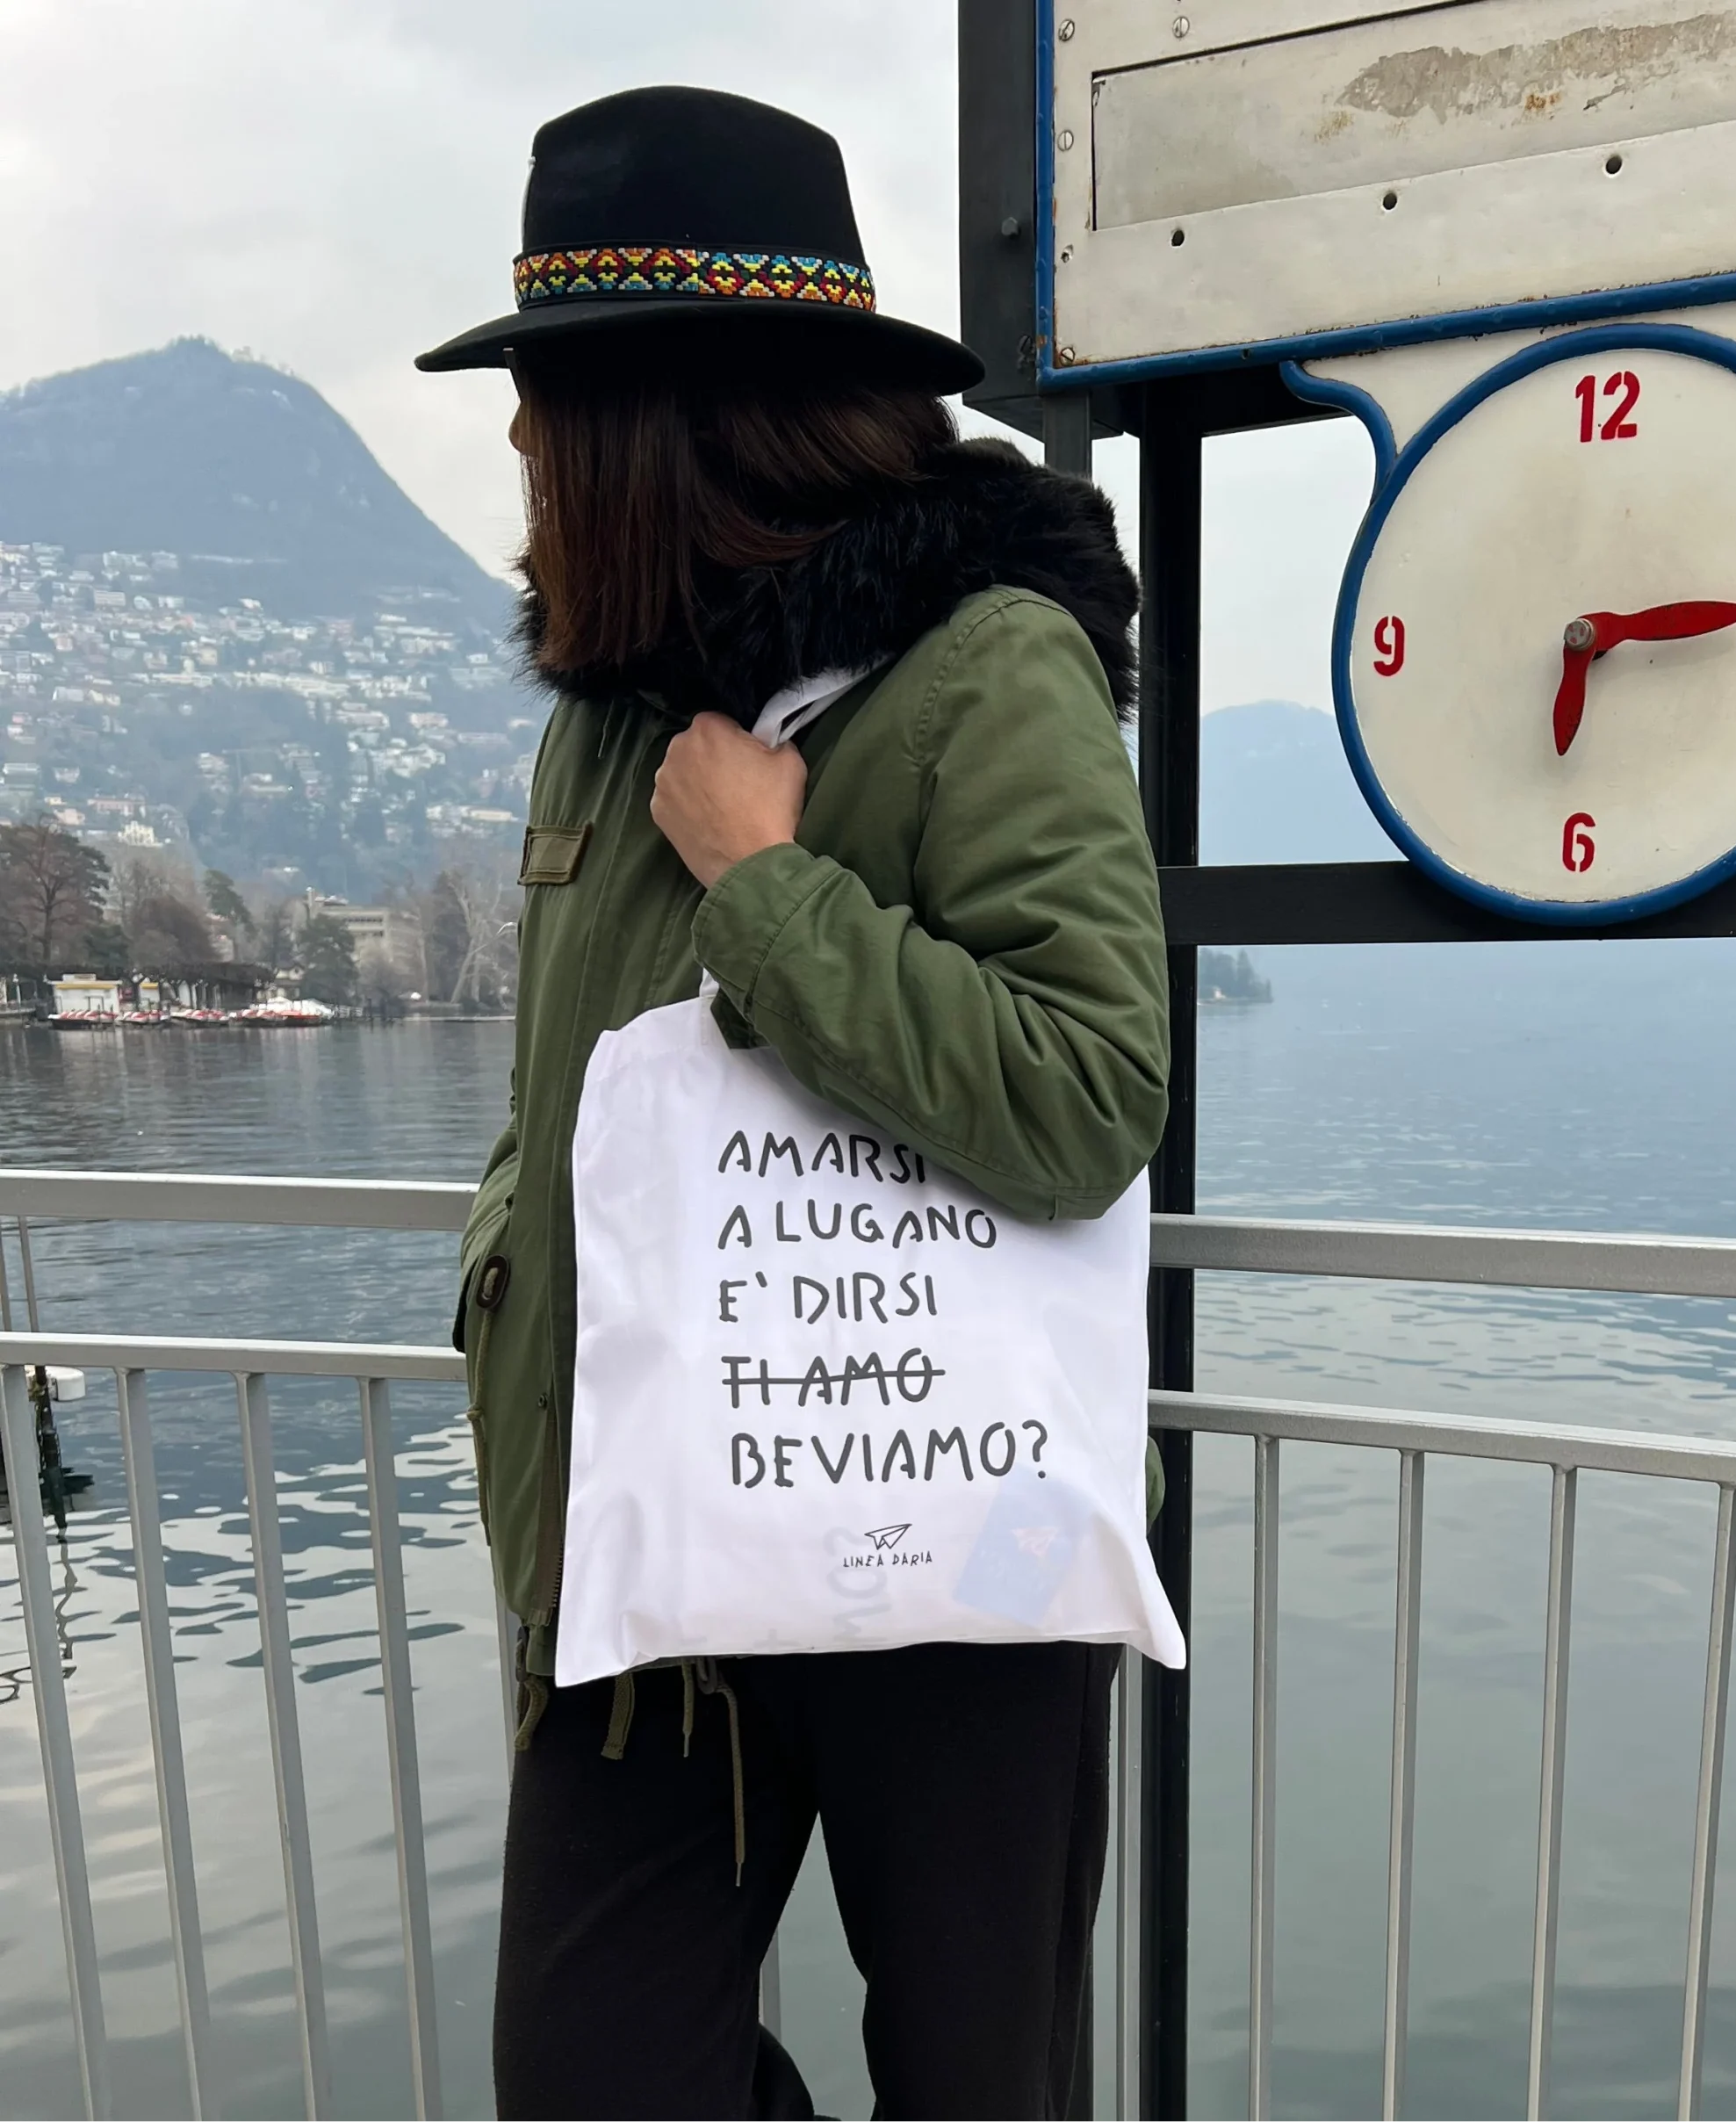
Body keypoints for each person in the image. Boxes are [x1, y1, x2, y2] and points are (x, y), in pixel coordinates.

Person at [418, 86, 1170, 2122]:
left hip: (958, 1542)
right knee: (587, 2073)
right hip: (655, 1540)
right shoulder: (610, 711)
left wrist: (768, 888)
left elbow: (1088, 1090)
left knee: (976, 2079)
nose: (521, 443)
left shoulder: (984, 667)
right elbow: (569, 1103)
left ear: (670, 414)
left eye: (548, 398)